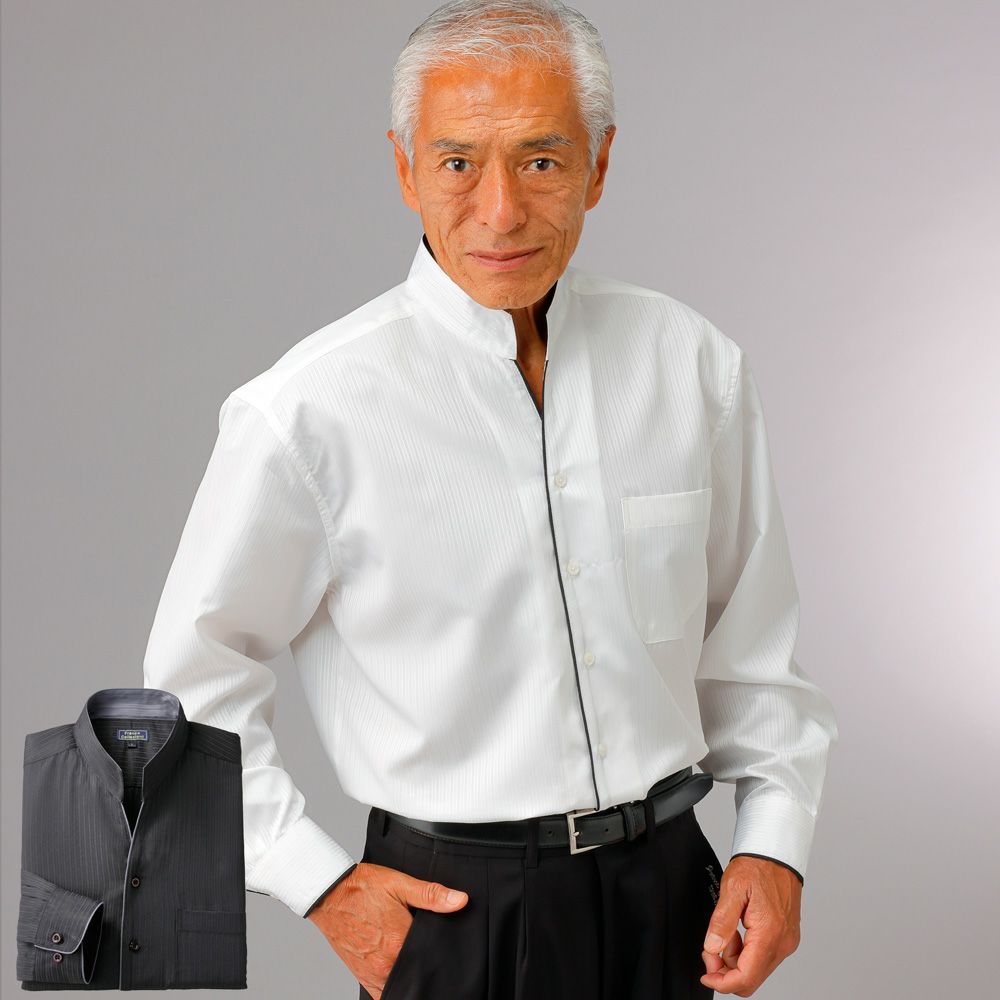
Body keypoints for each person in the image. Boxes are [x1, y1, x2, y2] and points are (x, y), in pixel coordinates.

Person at [143, 1, 838, 997]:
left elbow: (753, 645)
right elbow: (189, 691)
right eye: (458, 162)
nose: (501, 210)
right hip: (454, 916)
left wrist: (774, 842)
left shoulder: (692, 366)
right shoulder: (305, 412)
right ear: (405, 170)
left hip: (673, 896)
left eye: (541, 160)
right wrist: (319, 883)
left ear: (599, 164)